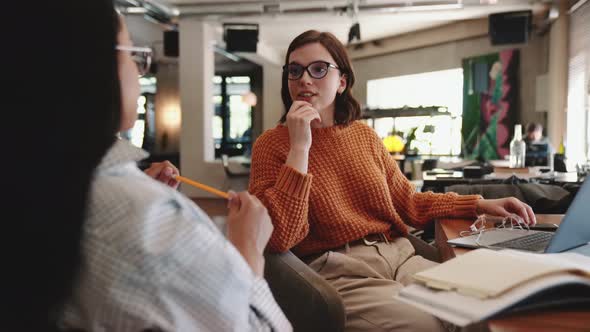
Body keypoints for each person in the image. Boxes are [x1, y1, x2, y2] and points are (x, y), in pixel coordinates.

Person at [3, 1, 291, 331]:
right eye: (131, 54)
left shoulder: (32, 184)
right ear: (92, 64)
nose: (140, 72)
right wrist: (249, 253)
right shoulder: (149, 222)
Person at [248, 30, 536, 332]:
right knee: (426, 326)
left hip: (399, 253)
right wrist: (299, 148)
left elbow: (408, 202)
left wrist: (480, 204)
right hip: (339, 270)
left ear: (342, 81)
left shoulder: (364, 136)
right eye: (295, 71)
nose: (305, 79)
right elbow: (279, 236)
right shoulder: (272, 145)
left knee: (480, 312)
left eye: (318, 69)